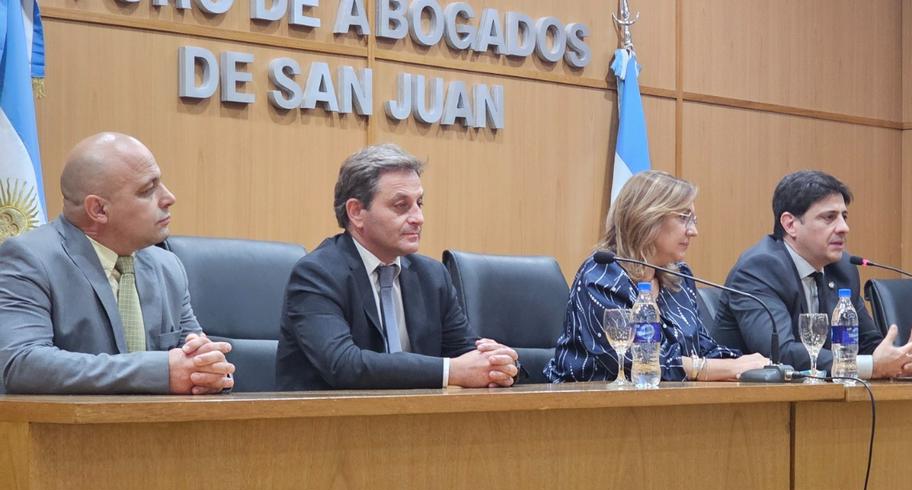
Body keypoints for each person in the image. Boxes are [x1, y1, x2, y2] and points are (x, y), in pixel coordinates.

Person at [0, 132, 234, 394]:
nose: (169, 198)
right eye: (148, 190)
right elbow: (21, 364)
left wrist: (210, 369)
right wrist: (159, 372)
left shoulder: (168, 267)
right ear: (99, 210)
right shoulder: (30, 259)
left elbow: (195, 359)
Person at [275, 144, 518, 390]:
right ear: (356, 212)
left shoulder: (432, 277)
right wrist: (450, 371)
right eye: (401, 205)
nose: (418, 218)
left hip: (416, 415)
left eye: (419, 203)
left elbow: (468, 354)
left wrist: (500, 364)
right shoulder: (317, 275)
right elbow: (344, 365)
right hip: (330, 414)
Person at [545, 170, 768, 382]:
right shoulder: (601, 275)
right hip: (589, 402)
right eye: (683, 218)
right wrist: (720, 368)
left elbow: (702, 348)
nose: (693, 231)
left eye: (693, 220)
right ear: (647, 218)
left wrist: (751, 365)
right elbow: (637, 361)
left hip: (667, 400)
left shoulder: (679, 277)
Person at [714, 170, 912, 378]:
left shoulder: (842, 269)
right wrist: (870, 366)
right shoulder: (759, 269)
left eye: (844, 216)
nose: (844, 228)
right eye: (829, 217)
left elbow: (866, 343)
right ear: (790, 224)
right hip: (750, 398)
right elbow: (780, 353)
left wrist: (904, 359)